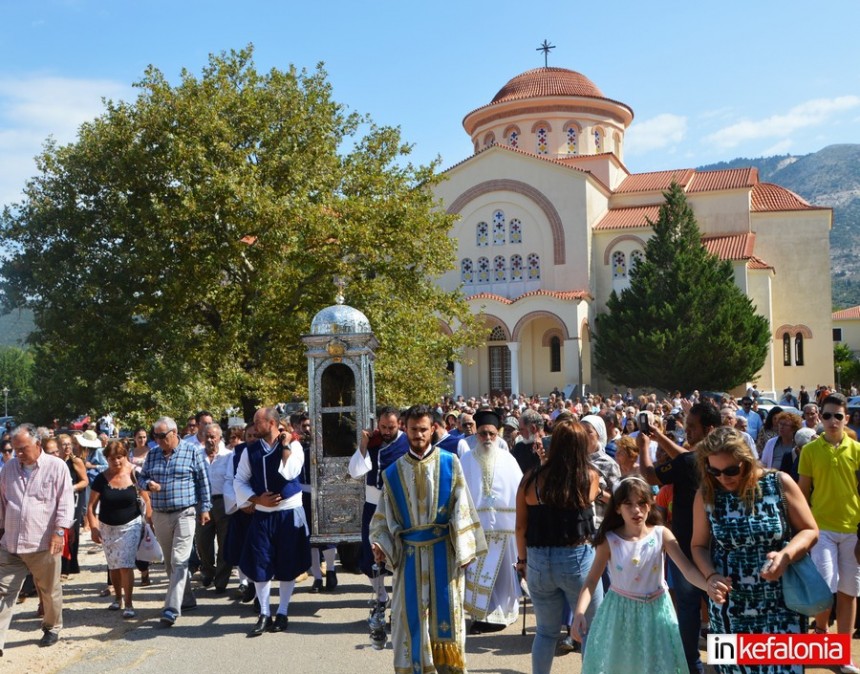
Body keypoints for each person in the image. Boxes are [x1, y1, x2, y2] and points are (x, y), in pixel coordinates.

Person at [692, 426, 819, 674]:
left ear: (747, 461)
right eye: (713, 470)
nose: (723, 477)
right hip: (730, 609)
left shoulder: (778, 483)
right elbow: (698, 545)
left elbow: (810, 530)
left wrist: (785, 555)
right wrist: (710, 575)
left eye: (731, 470)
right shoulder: (707, 493)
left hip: (783, 604)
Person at [370, 404, 487, 674]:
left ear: (433, 429)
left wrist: (466, 549)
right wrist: (379, 543)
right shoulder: (393, 472)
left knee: (446, 621)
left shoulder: (450, 463)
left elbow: (463, 507)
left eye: (424, 429)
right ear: (404, 429)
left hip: (444, 555)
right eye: (413, 430)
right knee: (410, 621)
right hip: (409, 556)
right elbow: (382, 518)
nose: (419, 435)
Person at [572, 476, 707, 673]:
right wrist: (579, 613)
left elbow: (687, 569)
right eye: (628, 504)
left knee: (656, 665)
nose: (636, 510)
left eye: (642, 503)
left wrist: (708, 585)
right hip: (620, 614)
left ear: (651, 504)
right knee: (624, 664)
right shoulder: (610, 540)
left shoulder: (662, 534)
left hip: (657, 612)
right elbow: (592, 580)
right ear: (618, 508)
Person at [638, 401, 720, 674]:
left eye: (692, 427)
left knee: (687, 611)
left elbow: (649, 474)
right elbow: (685, 455)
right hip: (717, 548)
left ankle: (691, 667)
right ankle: (723, 664)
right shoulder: (723, 457)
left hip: (686, 548)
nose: (688, 431)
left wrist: (643, 447)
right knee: (721, 610)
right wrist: (658, 435)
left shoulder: (688, 462)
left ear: (708, 429)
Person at [515, 419, 603, 674]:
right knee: (590, 629)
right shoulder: (588, 477)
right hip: (576, 557)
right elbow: (590, 500)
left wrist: (522, 561)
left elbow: (520, 527)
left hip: (538, 560)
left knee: (545, 632)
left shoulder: (530, 480)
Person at [234, 407, 311, 636]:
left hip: (289, 512)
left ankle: (283, 611)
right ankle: (264, 613)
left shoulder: (294, 445)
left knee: (287, 563)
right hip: (263, 513)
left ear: (271, 423)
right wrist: (258, 499)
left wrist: (286, 445)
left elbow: (290, 473)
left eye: (258, 422)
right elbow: (240, 480)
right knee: (260, 563)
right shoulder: (251, 450)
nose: (254, 427)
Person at [798, 393, 860, 672]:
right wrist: (799, 528)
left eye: (838, 415)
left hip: (854, 530)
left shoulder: (858, 451)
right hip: (820, 527)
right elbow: (802, 492)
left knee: (849, 591)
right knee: (825, 585)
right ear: (820, 419)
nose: (832, 420)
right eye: (827, 415)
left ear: (846, 419)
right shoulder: (810, 451)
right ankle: (821, 636)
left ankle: (842, 652)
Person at [0, 424, 74, 651]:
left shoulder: (57, 467)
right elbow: (2, 502)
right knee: (2, 592)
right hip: (11, 543)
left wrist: (59, 532)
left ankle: (51, 627)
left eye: (23, 449)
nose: (18, 454)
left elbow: (65, 502)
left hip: (44, 543)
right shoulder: (9, 469)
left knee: (49, 590)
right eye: (15, 449)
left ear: (38, 445)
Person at [139, 416, 212, 627]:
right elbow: (141, 478)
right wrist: (148, 484)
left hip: (185, 512)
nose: (159, 440)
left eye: (162, 436)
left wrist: (205, 508)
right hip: (161, 513)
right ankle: (187, 599)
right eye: (156, 436)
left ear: (174, 433)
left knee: (180, 559)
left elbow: (203, 481)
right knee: (170, 562)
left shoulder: (192, 452)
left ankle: (171, 607)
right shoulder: (152, 455)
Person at [461, 410, 522, 631]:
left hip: (505, 528)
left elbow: (518, 490)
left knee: (504, 574)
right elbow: (459, 493)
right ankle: (481, 616)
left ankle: (503, 614)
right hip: (477, 528)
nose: (487, 438)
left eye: (492, 434)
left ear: (499, 435)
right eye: (483, 434)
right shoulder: (466, 459)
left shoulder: (509, 460)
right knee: (477, 574)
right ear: (476, 434)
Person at [348, 406, 408, 620]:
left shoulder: (407, 442)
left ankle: (400, 600)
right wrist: (363, 444)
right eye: (383, 426)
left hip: (398, 505)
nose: (386, 431)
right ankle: (381, 597)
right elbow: (355, 471)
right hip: (373, 504)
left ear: (399, 424)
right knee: (370, 552)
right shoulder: (372, 442)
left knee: (399, 552)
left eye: (390, 427)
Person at [86, 439, 150, 619]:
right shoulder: (101, 478)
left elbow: (147, 499)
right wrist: (93, 527)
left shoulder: (134, 474)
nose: (116, 461)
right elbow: (91, 507)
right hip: (107, 527)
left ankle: (129, 603)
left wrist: (151, 519)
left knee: (125, 564)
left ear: (125, 456)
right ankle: (117, 597)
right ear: (106, 458)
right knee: (113, 565)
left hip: (131, 524)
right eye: (112, 458)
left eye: (120, 457)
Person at [194, 422, 233, 592]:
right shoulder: (196, 455)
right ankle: (208, 570)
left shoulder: (229, 456)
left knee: (224, 542)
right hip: (202, 502)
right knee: (202, 541)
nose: (210, 440)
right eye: (207, 436)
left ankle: (221, 580)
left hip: (223, 502)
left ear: (219, 438)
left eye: (213, 437)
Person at [57, 434, 87, 578]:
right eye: (64, 444)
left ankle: (70, 565)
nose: (67, 447)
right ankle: (61, 565)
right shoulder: (54, 462)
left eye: (69, 444)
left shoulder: (76, 462)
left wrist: (71, 488)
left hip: (74, 499)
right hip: (58, 501)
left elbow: (85, 481)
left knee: (72, 532)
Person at [128, 427, 152, 586]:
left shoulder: (152, 452)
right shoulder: (130, 454)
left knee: (147, 531)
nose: (142, 440)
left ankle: (146, 568)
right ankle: (141, 568)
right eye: (139, 437)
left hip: (149, 493)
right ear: (135, 438)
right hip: (134, 491)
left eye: (144, 437)